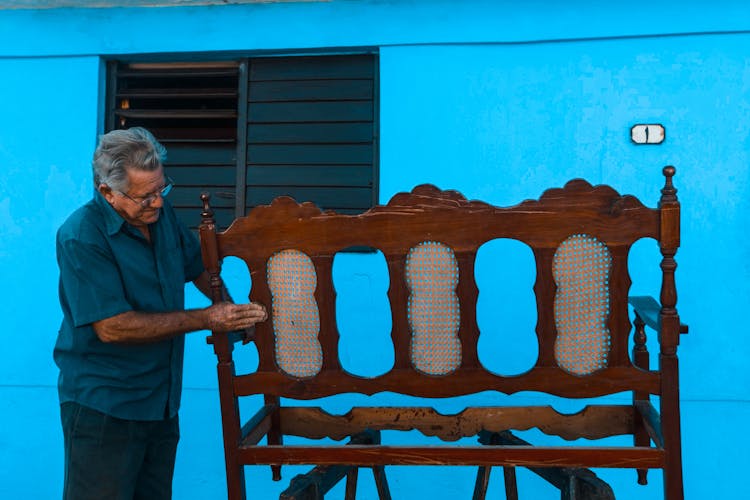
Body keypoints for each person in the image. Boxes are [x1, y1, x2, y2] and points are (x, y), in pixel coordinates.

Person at [53, 127, 267, 500]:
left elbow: (197, 265)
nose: (157, 203)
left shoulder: (159, 217)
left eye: (161, 190)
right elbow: (113, 327)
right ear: (108, 193)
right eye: (144, 197)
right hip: (105, 404)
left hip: (161, 399)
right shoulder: (81, 235)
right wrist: (207, 318)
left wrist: (232, 313)